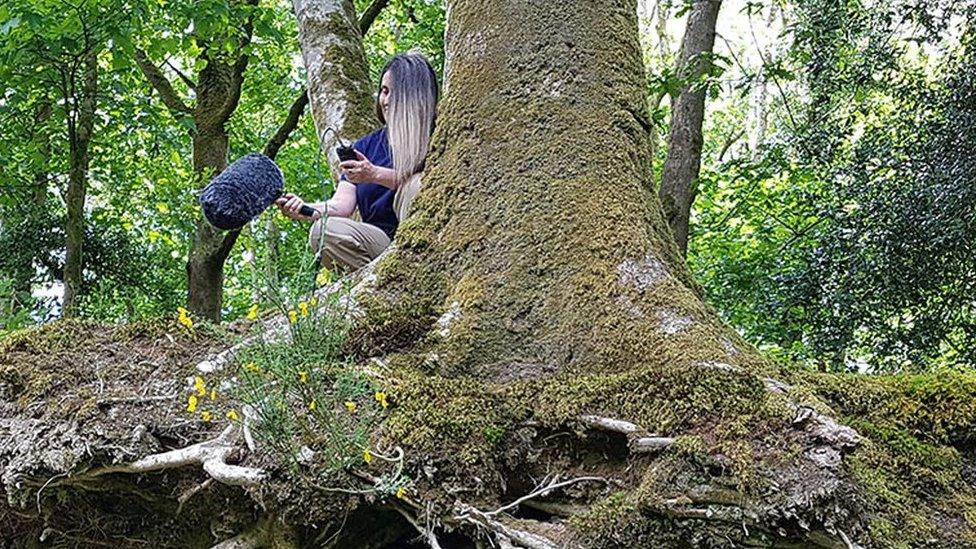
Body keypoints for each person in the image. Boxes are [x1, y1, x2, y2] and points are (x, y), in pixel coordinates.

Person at [276, 52, 438, 271]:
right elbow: (340, 206)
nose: (385, 100)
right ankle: (385, 282)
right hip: (382, 245)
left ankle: (423, 268)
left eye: (393, 92)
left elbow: (436, 186)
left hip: (427, 241)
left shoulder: (438, 133)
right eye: (383, 91)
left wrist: (374, 174)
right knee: (322, 231)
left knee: (416, 184)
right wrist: (303, 208)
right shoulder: (365, 147)